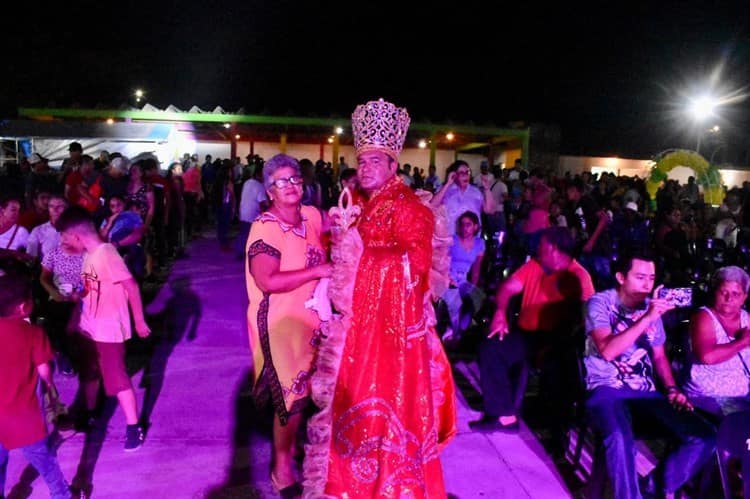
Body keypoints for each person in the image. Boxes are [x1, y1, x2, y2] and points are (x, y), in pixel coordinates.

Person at [304, 98, 457, 498]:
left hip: (391, 342)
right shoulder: (367, 205)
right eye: (363, 160)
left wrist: (358, 252)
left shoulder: (408, 207)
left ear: (394, 165)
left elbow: (416, 265)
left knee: (389, 418)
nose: (366, 167)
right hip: (363, 331)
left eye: (376, 160)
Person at [583, 248, 716, 499]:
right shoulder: (600, 303)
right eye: (640, 277)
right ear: (621, 277)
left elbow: (659, 357)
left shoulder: (651, 308)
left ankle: (650, 489)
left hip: (645, 395)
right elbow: (608, 350)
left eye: (652, 278)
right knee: (618, 437)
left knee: (704, 436)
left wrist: (673, 389)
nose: (647, 284)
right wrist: (648, 317)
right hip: (606, 391)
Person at [244, 153, 332, 497]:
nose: (292, 186)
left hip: (311, 319)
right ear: (269, 190)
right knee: (290, 399)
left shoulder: (311, 216)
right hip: (279, 324)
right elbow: (267, 280)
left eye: (295, 179)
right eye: (282, 181)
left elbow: (333, 235)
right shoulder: (265, 227)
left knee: (308, 395)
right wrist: (317, 272)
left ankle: (292, 447)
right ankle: (281, 471)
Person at [471, 227, 595, 439]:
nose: (537, 249)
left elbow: (584, 320)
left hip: (558, 338)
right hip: (526, 333)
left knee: (561, 366)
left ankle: (558, 435)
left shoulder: (579, 276)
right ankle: (504, 415)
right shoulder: (534, 265)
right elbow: (508, 288)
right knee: (491, 347)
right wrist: (500, 312)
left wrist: (552, 345)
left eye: (542, 246)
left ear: (554, 250)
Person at [57, 206, 151, 451]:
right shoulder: (90, 255)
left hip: (108, 330)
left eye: (65, 238)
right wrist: (78, 297)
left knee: (117, 378)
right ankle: (90, 413)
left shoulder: (106, 253)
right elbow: (93, 287)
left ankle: (134, 426)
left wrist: (139, 320)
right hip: (89, 327)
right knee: (89, 372)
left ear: (77, 236)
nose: (65, 244)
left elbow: (131, 286)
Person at [0, 265, 72, 499]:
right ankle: (61, 495)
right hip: (24, 416)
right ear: (23, 306)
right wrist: (51, 389)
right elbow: (44, 373)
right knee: (45, 461)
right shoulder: (33, 334)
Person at [684, 266, 750, 417]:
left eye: (736, 294)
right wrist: (743, 342)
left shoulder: (747, 319)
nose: (729, 298)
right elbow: (707, 357)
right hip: (707, 395)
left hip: (742, 396)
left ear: (744, 297)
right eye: (723, 292)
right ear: (714, 292)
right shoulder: (703, 316)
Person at [440, 210, 485, 344]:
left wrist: (473, 286)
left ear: (475, 226)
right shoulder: (452, 240)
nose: (465, 228)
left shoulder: (479, 244)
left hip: (463, 280)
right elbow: (443, 261)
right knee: (455, 302)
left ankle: (456, 331)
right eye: (463, 224)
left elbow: (476, 268)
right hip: (449, 278)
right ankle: (455, 334)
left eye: (468, 224)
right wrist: (447, 278)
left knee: (476, 299)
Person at [430, 159, 494, 237]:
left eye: (467, 172)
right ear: (454, 175)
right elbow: (432, 205)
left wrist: (487, 189)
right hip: (451, 239)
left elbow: (489, 210)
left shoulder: (476, 192)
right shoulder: (446, 190)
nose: (466, 175)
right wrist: (448, 184)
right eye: (461, 173)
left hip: (472, 241)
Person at [235, 162, 268, 259]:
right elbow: (263, 203)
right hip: (253, 215)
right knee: (251, 235)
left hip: (243, 212)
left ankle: (240, 252)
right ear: (259, 174)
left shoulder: (247, 182)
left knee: (243, 233)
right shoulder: (259, 186)